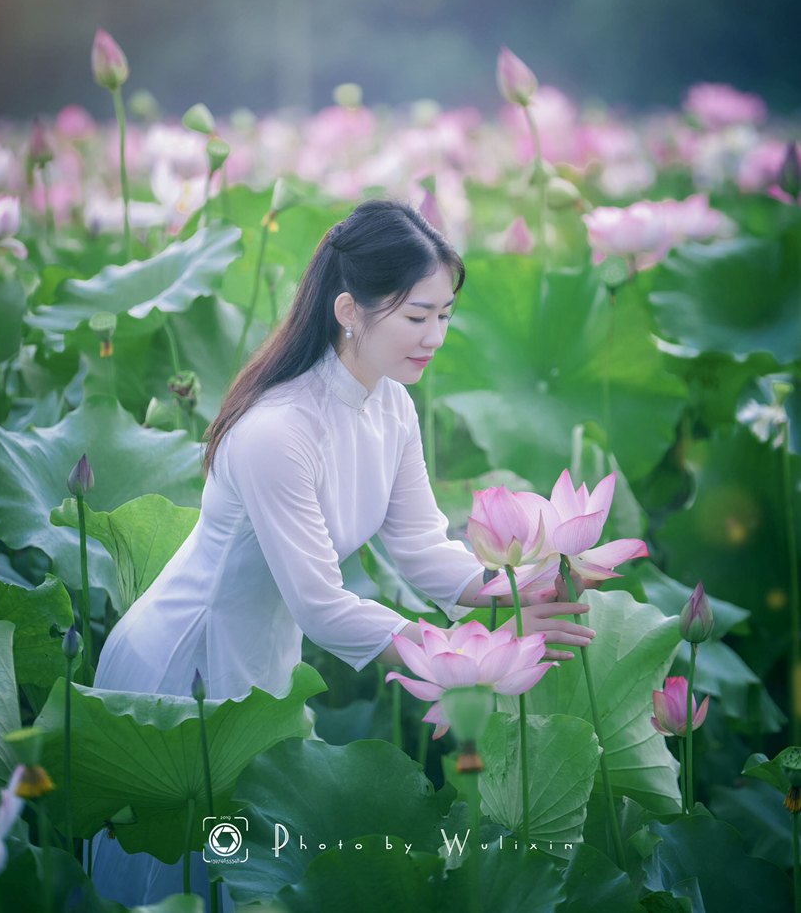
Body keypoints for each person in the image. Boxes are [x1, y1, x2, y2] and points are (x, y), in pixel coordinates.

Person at [88, 197, 594, 908]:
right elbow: (323, 606)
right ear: (350, 310)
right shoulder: (277, 431)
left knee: (246, 873)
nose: (434, 337)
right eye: (417, 317)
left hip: (266, 668)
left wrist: (515, 593)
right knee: (179, 885)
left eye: (445, 315)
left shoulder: (390, 405)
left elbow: (421, 549)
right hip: (180, 669)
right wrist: (458, 659)